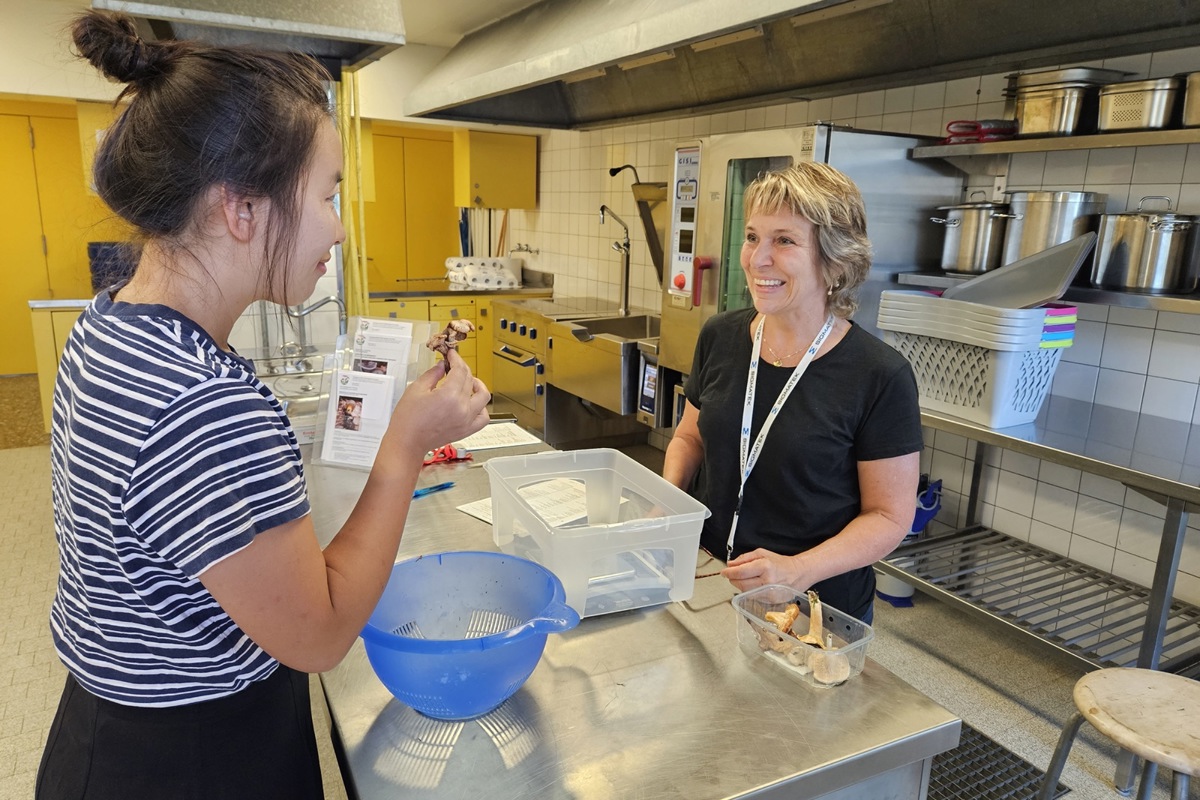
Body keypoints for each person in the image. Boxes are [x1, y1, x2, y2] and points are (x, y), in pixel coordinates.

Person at [37, 11, 490, 799]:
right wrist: (405, 445)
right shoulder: (206, 401)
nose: (340, 230)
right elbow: (317, 634)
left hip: (102, 735)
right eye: (325, 196)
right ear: (242, 208)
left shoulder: (108, 321)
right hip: (197, 760)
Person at [663, 162, 922, 623]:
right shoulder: (721, 336)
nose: (757, 258)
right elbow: (690, 438)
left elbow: (888, 517)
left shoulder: (880, 375)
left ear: (835, 260)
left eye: (784, 240)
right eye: (751, 237)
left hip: (812, 605)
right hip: (707, 577)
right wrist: (663, 506)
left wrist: (798, 570)